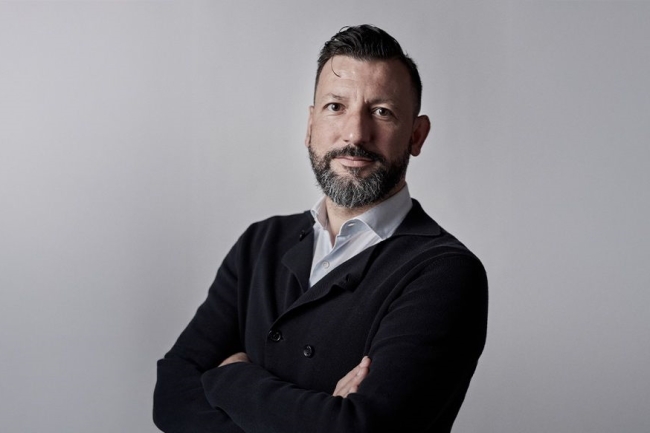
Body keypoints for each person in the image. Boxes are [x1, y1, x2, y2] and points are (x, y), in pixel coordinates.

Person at [153, 24, 488, 433]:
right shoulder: (260, 244)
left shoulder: (445, 273)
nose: (355, 133)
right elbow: (170, 396)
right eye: (335, 106)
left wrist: (230, 377)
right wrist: (322, 414)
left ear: (416, 136)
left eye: (381, 112)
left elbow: (364, 429)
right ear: (311, 125)